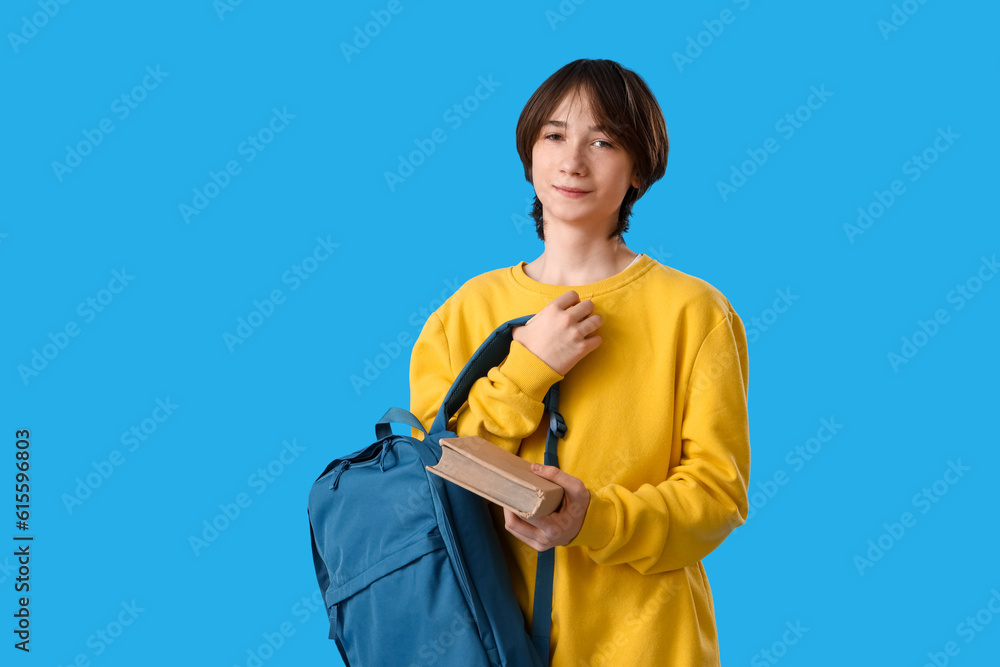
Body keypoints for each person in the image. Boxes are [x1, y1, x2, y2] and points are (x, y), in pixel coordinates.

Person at [409, 58, 750, 666]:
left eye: (604, 140)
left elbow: (717, 496)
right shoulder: (464, 311)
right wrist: (525, 370)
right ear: (529, 151)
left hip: (651, 647)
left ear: (640, 168)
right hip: (487, 641)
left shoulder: (694, 312)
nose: (573, 161)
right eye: (555, 135)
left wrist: (593, 519)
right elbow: (434, 475)